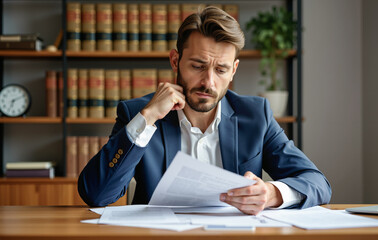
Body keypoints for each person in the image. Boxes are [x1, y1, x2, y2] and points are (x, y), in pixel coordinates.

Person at [78, 6, 331, 215]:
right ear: (175, 61)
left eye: (221, 70)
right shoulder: (137, 113)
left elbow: (317, 181)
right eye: (198, 66)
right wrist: (147, 118)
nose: (208, 82)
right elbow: (96, 194)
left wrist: (272, 194)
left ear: (233, 70)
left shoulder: (256, 115)